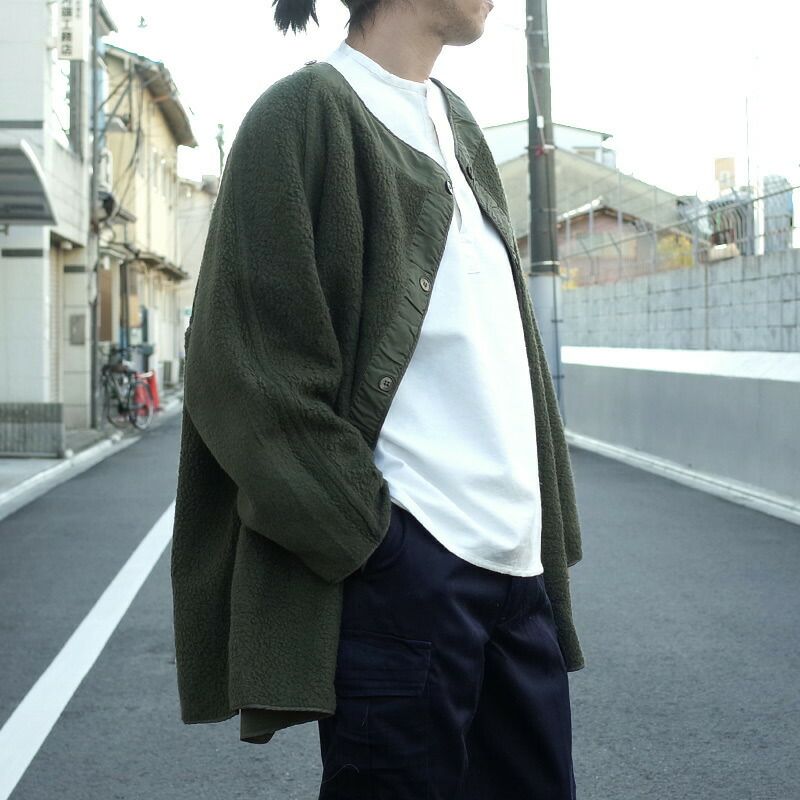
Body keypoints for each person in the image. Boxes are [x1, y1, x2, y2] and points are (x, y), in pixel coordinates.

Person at [171, 0, 586, 797]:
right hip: (408, 573)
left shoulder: (457, 124)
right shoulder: (300, 117)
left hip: (515, 574)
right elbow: (245, 375)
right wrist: (377, 545)